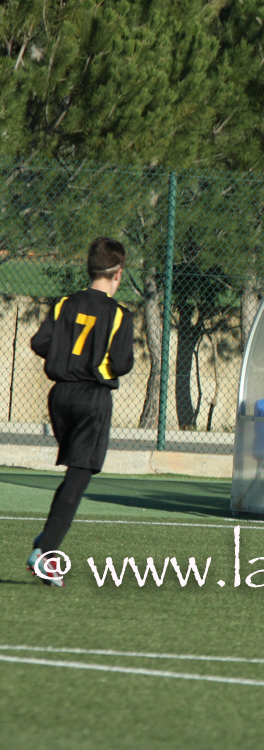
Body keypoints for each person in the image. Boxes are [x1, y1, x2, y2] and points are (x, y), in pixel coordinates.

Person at [26, 237, 135, 587]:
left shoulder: (64, 304)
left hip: (59, 396)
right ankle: (46, 553)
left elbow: (40, 342)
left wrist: (66, 356)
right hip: (92, 398)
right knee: (79, 475)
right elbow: (122, 363)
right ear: (118, 273)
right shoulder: (119, 315)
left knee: (75, 473)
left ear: (89, 269)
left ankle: (47, 540)